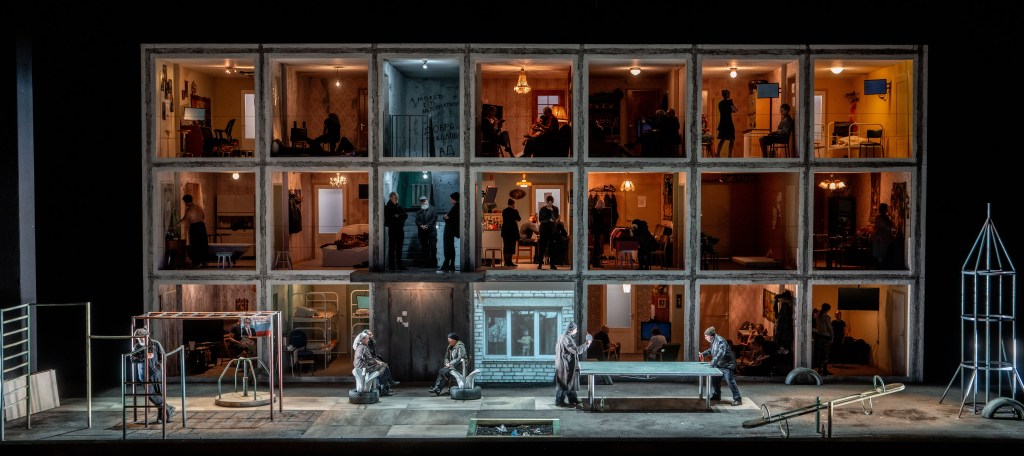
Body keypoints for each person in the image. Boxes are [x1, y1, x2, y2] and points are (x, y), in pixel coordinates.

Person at [130, 328, 175, 422]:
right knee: (150, 395)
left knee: (159, 394)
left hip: (156, 374)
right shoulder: (137, 347)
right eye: (138, 338)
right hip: (143, 375)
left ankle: (161, 416)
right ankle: (168, 408)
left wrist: (158, 367)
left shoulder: (155, 344)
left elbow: (163, 357)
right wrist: (144, 356)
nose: (140, 339)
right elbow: (132, 359)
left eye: (142, 337)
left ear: (147, 336)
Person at [699, 326, 742, 405]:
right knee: (715, 379)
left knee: (730, 381)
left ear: (711, 336)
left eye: (706, 336)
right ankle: (717, 395)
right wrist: (702, 354)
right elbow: (711, 350)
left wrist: (713, 362)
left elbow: (721, 353)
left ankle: (738, 399)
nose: (705, 338)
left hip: (727, 365)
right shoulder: (713, 341)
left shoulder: (720, 341)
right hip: (720, 364)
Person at [554, 322, 590, 407]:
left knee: (571, 382)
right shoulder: (566, 339)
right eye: (575, 329)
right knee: (564, 383)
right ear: (571, 330)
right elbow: (576, 350)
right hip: (565, 365)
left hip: (566, 363)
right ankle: (559, 401)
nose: (576, 331)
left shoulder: (565, 337)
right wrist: (587, 344)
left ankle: (572, 399)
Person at [353, 331, 391, 395]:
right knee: (383, 365)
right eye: (367, 339)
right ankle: (382, 387)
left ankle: (383, 385)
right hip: (363, 368)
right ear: (362, 339)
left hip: (359, 366)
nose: (368, 340)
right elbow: (370, 360)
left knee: (381, 365)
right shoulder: (364, 347)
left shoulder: (359, 347)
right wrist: (379, 362)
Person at [176, 194, 208, 269]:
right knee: (203, 244)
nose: (185, 204)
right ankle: (204, 262)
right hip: (202, 226)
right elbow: (203, 216)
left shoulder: (189, 210)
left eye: (185, 202)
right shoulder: (199, 207)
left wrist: (174, 225)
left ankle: (196, 263)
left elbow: (184, 220)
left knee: (195, 245)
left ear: (186, 202)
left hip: (195, 227)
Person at [384, 192, 408, 271]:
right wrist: (399, 217)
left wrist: (398, 216)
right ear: (391, 198)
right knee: (391, 248)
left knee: (399, 248)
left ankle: (399, 265)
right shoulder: (387, 207)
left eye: (397, 197)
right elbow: (390, 219)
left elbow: (405, 215)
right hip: (393, 230)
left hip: (400, 230)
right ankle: (391, 266)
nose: (397, 199)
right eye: (395, 198)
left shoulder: (399, 206)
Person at [537, 194, 560, 270]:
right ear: (546, 202)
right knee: (542, 247)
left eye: (551, 203)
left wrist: (552, 211)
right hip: (544, 230)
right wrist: (548, 220)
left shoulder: (555, 209)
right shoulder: (542, 209)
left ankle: (552, 264)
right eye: (548, 203)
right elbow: (541, 220)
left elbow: (556, 218)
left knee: (552, 248)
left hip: (552, 231)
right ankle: (540, 264)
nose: (550, 204)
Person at [415, 195, 438, 269]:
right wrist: (421, 225)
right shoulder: (419, 211)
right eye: (421, 201)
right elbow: (416, 220)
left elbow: (434, 218)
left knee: (433, 248)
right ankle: (426, 263)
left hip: (431, 232)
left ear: (427, 201)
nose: (423, 202)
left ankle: (433, 264)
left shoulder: (433, 209)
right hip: (422, 232)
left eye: (424, 201)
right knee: (424, 248)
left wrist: (427, 225)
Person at [871, 202, 895, 269]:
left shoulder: (883, 218)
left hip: (882, 238)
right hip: (881, 239)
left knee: (881, 255)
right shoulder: (881, 218)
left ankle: (880, 266)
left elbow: (890, 225)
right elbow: (887, 226)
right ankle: (880, 267)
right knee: (881, 254)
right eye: (886, 209)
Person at [813, 302, 835, 375]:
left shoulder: (818, 316)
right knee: (825, 354)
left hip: (819, 336)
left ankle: (819, 370)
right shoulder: (827, 317)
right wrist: (832, 336)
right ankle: (825, 370)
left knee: (820, 354)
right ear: (828, 309)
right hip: (826, 337)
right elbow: (830, 328)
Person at [440, 192, 460, 272]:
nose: (450, 200)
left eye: (451, 198)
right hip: (452, 230)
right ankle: (451, 264)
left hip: (450, 230)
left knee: (448, 247)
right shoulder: (457, 207)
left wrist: (445, 217)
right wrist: (446, 217)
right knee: (451, 247)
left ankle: (447, 263)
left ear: (454, 199)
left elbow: (449, 218)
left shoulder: (455, 207)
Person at [772, 290, 795, 356]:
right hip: (784, 333)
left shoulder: (784, 307)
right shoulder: (785, 306)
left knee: (783, 350)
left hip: (783, 334)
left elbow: (782, 323)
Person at [716, 89, 738, 157]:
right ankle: (729, 155)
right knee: (731, 139)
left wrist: (730, 104)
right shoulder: (728, 103)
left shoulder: (720, 103)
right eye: (727, 94)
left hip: (724, 123)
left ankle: (719, 154)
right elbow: (735, 110)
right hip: (728, 123)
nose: (727, 95)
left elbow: (734, 110)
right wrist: (731, 103)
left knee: (723, 139)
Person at [500, 198, 521, 267]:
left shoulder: (504, 211)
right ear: (513, 204)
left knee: (506, 246)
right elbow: (519, 219)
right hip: (512, 231)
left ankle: (506, 262)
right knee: (511, 246)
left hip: (505, 231)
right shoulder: (515, 211)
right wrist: (514, 220)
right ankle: (510, 262)